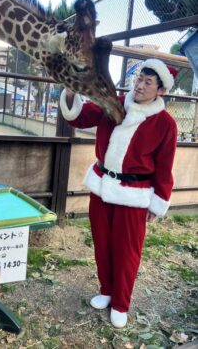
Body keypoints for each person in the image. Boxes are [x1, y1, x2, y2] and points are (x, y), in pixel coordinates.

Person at [59, 58, 178, 328]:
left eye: (148, 82)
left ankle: (121, 303)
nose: (140, 85)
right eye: (139, 79)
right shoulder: (113, 103)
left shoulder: (165, 124)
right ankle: (106, 291)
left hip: (133, 194)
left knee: (127, 252)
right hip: (101, 187)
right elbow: (78, 116)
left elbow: (164, 167)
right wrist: (69, 91)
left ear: (160, 90)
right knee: (102, 244)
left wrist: (157, 203)